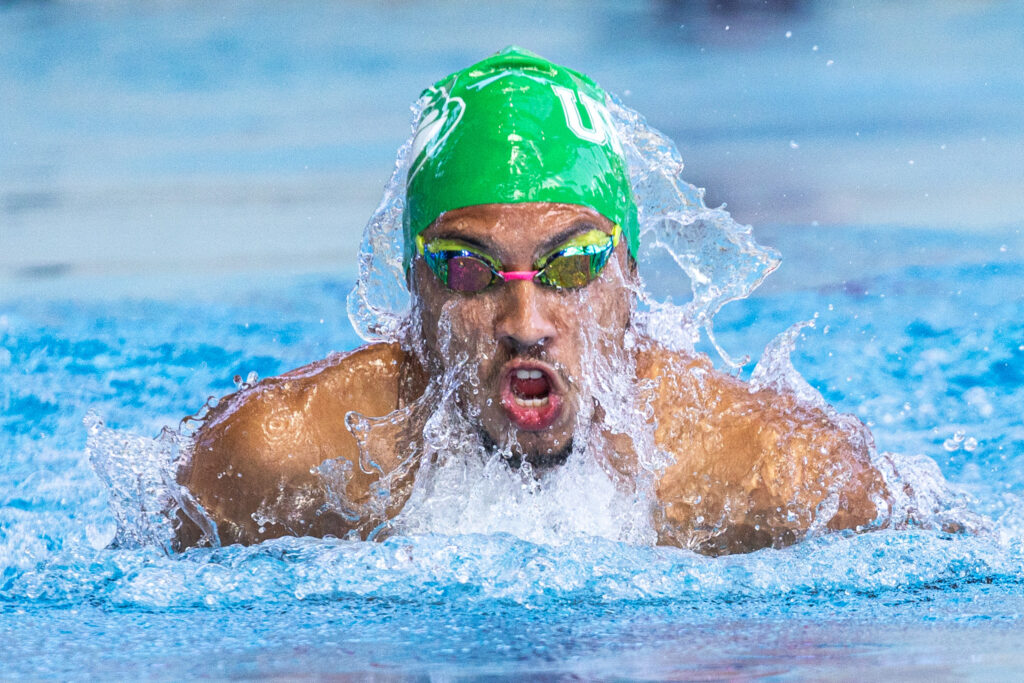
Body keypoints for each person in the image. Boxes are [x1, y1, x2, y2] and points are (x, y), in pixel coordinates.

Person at [174, 47, 891, 555]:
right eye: (466, 268)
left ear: (632, 273)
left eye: (573, 263)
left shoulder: (772, 472)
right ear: (413, 284)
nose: (527, 325)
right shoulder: (277, 458)